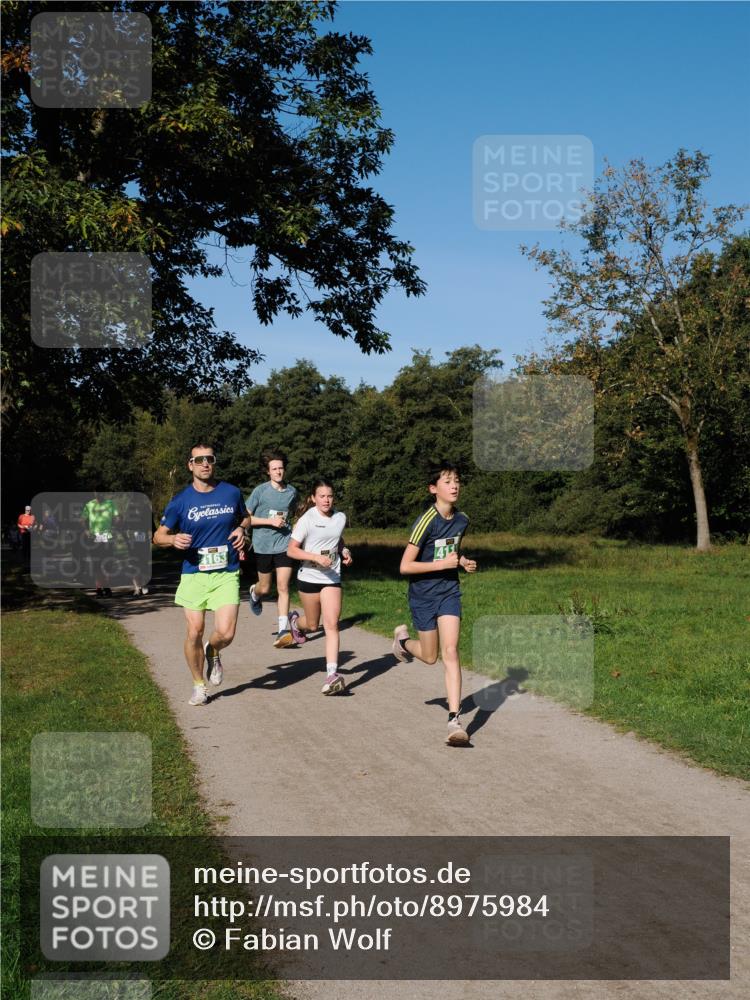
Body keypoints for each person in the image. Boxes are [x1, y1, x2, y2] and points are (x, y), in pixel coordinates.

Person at [153, 445, 247, 706]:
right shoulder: (180, 501)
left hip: (226, 572)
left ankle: (213, 650)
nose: (205, 464)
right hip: (194, 573)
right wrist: (172, 540)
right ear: (190, 465)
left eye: (210, 459)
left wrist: (241, 529)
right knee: (194, 630)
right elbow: (157, 536)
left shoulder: (231, 492)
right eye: (199, 460)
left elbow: (246, 518)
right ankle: (198, 686)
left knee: (226, 633)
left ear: (214, 463)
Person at [391, 461, 477, 746]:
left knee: (450, 650)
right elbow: (405, 566)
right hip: (423, 595)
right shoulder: (426, 521)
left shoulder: (462, 519)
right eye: (447, 481)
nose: (454, 486)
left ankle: (454, 720)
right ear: (433, 489)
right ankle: (403, 644)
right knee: (430, 657)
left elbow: (452, 549)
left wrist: (461, 561)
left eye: (457, 481)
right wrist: (442, 563)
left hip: (449, 591)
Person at [286, 478, 352, 694]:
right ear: (314, 498)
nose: (326, 500)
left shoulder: (340, 518)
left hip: (331, 578)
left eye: (330, 496)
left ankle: (332, 674)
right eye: (322, 496)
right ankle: (296, 622)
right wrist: (315, 557)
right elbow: (292, 550)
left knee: (332, 624)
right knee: (313, 625)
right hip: (309, 577)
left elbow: (336, 538)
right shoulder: (307, 520)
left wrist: (344, 551)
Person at [246, 450, 300, 648]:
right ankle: (255, 592)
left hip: (284, 544)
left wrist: (296, 527)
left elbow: (295, 514)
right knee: (266, 587)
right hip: (262, 545)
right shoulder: (260, 492)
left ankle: (283, 630)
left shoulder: (292, 492)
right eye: (274, 469)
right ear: (268, 472)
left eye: (281, 468)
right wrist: (270, 521)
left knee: (283, 587)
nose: (278, 472)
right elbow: (247, 518)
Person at [81, 492, 119, 596]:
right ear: (94, 493)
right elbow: (82, 519)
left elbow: (117, 517)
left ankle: (107, 587)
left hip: (107, 536)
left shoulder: (110, 503)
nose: (98, 494)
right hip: (94, 537)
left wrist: (116, 524)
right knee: (96, 564)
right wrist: (86, 531)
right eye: (96, 492)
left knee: (107, 563)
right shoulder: (89, 505)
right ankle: (99, 588)